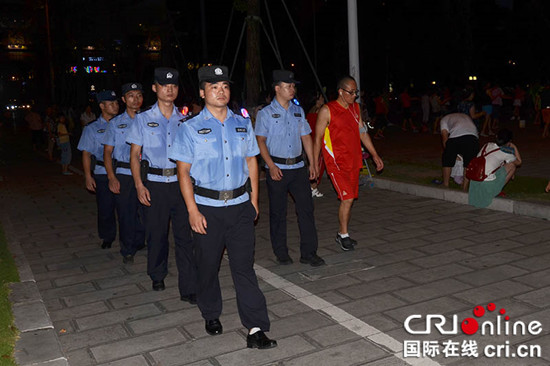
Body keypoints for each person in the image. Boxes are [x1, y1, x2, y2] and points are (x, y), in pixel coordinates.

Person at [169, 65, 277, 349]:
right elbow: (183, 172)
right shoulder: (189, 127)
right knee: (207, 266)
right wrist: (192, 211)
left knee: (244, 267)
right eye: (214, 87)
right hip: (207, 208)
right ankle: (211, 312)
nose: (221, 92)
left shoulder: (242, 123)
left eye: (225, 86)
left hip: (240, 206)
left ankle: (256, 327)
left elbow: (252, 161)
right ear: (203, 92)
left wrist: (254, 200)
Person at [126, 67, 198, 299]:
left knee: (185, 236)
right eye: (165, 86)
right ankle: (157, 274)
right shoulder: (144, 119)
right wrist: (139, 185)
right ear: (155, 88)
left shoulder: (185, 120)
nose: (170, 90)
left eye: (174, 86)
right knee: (156, 234)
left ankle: (188, 287)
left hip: (180, 184)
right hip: (155, 184)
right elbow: (135, 155)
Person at [255, 70, 325, 267]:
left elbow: (306, 137)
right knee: (278, 212)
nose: (292, 89)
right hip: (276, 168)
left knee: (306, 209)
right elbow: (260, 140)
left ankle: (309, 252)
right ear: (277, 88)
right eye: (288, 86)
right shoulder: (265, 113)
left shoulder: (298, 111)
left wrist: (313, 163)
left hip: (298, 167)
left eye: (293, 86)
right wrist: (270, 166)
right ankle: (281, 252)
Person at [313, 76, 384, 251]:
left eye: (356, 92)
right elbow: (317, 138)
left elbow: (362, 133)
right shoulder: (327, 110)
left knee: (350, 199)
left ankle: (342, 233)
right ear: (341, 92)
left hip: (354, 160)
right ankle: (343, 235)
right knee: (347, 198)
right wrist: (314, 164)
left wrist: (375, 155)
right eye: (351, 92)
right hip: (336, 163)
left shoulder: (355, 109)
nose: (354, 96)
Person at [103, 83, 146, 264]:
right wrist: (112, 177)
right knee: (126, 213)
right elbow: (107, 152)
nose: (135, 99)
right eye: (130, 95)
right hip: (124, 173)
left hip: (146, 173)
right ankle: (127, 249)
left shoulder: (149, 120)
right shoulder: (115, 123)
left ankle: (141, 240)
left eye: (138, 95)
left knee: (147, 212)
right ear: (123, 99)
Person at [77, 90, 119, 249]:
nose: (115, 106)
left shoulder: (125, 123)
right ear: (102, 106)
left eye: (116, 103)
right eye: (111, 103)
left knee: (129, 208)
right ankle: (107, 236)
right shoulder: (92, 128)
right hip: (102, 173)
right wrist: (88, 176)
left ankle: (135, 237)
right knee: (106, 208)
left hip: (123, 172)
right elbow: (86, 153)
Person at [469, 129, 521, 208]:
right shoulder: (505, 153)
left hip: (475, 183)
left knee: (501, 163)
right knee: (512, 166)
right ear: (509, 141)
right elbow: (519, 162)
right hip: (487, 187)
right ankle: (497, 190)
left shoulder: (487, 145)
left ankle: (495, 187)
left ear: (496, 137)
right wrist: (514, 146)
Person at [439, 112, 480, 189]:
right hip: (473, 138)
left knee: (447, 161)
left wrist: (450, 152)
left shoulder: (444, 119)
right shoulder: (465, 116)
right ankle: (464, 187)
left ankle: (445, 184)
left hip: (456, 136)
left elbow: (445, 139)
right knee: (468, 163)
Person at [306, 92, 326, 197]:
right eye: (321, 99)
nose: (323, 101)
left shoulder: (310, 111)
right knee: (319, 165)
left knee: (314, 163)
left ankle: (312, 186)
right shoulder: (320, 112)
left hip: (311, 141)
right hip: (318, 141)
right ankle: (313, 187)